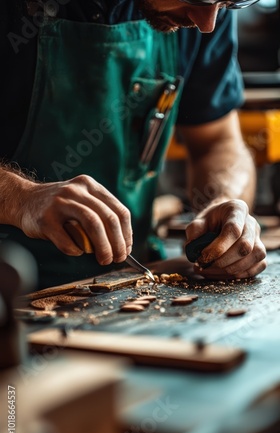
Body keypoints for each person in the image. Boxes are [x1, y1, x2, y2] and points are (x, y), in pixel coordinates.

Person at [0, 0, 266, 289]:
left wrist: (225, 208)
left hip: (131, 277)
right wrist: (21, 198)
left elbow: (217, 143)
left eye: (227, 3)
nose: (207, 23)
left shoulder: (205, 12)